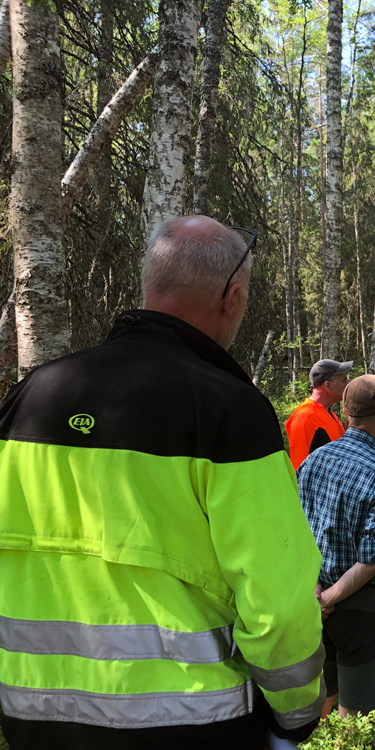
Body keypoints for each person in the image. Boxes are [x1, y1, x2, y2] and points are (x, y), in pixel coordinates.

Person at [0, 217, 325, 750]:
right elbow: (279, 608)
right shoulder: (230, 411)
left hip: (33, 717)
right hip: (192, 724)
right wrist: (297, 714)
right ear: (233, 298)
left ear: (151, 285)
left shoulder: (31, 394)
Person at [297, 374, 375, 718]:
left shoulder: (313, 460)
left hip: (312, 598)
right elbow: (370, 561)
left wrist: (317, 594)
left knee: (318, 702)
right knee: (358, 715)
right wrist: (329, 599)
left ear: (345, 412)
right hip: (360, 606)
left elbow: (297, 532)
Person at [286, 358, 353, 470]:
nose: (348, 384)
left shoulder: (330, 414)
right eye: (344, 380)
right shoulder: (305, 417)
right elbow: (298, 468)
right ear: (328, 386)